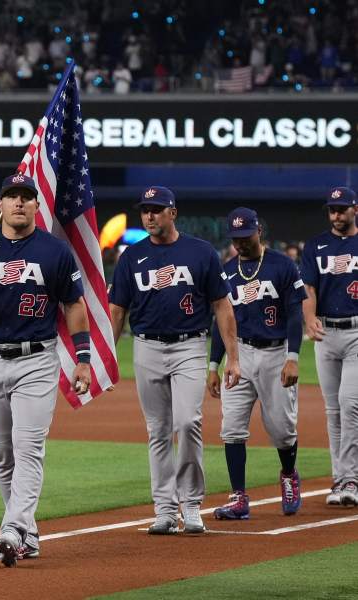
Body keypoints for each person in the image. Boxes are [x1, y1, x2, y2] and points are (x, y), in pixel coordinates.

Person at [0, 174, 92, 567]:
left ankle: (12, 528)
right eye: (12, 196)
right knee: (2, 454)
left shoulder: (54, 252)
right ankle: (28, 532)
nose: (19, 203)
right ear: (1, 205)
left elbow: (74, 306)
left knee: (29, 447)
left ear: (36, 205)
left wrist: (82, 358)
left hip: (36, 361)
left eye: (26, 197)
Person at [108, 186, 240, 535]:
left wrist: (232, 358)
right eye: (145, 210)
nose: (149, 215)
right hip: (146, 346)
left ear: (173, 213)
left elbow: (222, 306)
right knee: (157, 431)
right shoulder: (131, 257)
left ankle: (192, 503)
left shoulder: (200, 252)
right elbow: (117, 308)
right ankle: (165, 509)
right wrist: (106, 354)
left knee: (187, 422)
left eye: (156, 209)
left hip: (190, 346)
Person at [207, 208, 307, 520]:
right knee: (232, 427)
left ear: (258, 231)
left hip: (276, 353)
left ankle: (289, 474)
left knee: (281, 429)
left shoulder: (282, 264)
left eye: (246, 236)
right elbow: (222, 322)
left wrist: (292, 358)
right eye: (236, 239)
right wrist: (213, 364)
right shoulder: (226, 271)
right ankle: (238, 498)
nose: (241, 244)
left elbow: (293, 313)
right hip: (240, 357)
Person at [301, 187, 358, 506]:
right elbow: (308, 286)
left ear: (355, 209)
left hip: (356, 331)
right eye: (332, 209)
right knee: (333, 410)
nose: (336, 214)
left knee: (350, 404)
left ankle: (351, 477)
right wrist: (309, 318)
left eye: (342, 209)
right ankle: (341, 479)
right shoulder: (316, 246)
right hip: (325, 333)